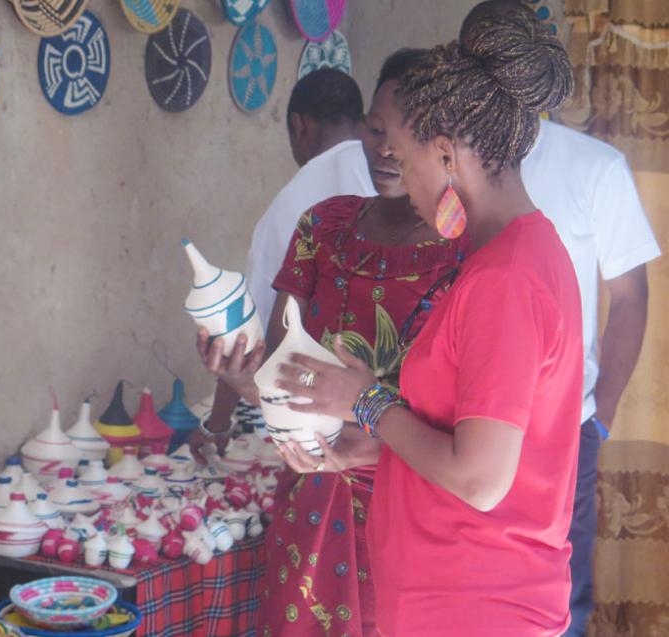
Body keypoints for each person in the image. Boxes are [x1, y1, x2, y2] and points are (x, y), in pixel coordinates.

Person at [275, 9, 583, 637]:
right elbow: (468, 441)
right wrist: (383, 445)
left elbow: (481, 478)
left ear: (447, 156)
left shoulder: (505, 280)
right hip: (455, 603)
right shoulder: (513, 257)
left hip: (476, 610)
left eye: (408, 161)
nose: (404, 183)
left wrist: (364, 400)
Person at [197, 49, 466, 636]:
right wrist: (239, 376)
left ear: (448, 142)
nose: (386, 149)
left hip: (414, 512)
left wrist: (371, 442)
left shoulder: (469, 256)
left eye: (405, 134)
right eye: (375, 129)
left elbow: (472, 430)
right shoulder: (324, 226)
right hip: (313, 501)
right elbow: (279, 376)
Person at [459, 3, 661, 635]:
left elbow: (630, 297)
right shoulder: (446, 159)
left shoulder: (593, 167)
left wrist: (599, 412)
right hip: (457, 425)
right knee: (463, 595)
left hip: (559, 435)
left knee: (554, 604)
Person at [189, 69, 376, 460]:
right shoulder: (401, 180)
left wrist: (218, 424)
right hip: (398, 432)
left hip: (323, 433)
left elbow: (246, 335)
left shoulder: (294, 204)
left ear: (298, 126)